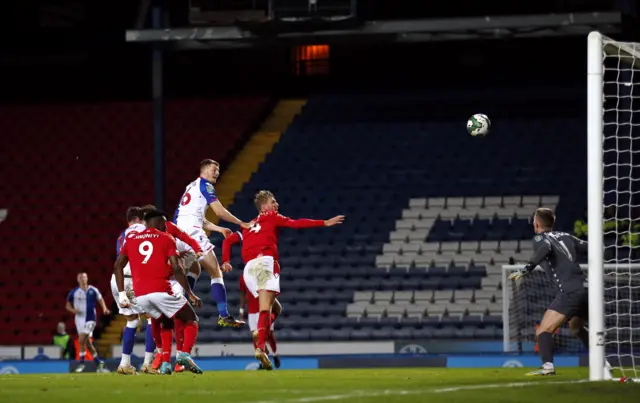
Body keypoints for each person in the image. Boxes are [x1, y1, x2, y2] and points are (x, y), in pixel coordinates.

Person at [224, 190, 344, 369]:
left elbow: (227, 242)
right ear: (265, 207)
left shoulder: (247, 225)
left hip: (248, 269)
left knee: (276, 308)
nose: (276, 205)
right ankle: (261, 348)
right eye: (273, 202)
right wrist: (324, 222)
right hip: (265, 263)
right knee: (266, 309)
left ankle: (260, 332)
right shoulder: (271, 216)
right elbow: (296, 224)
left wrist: (226, 260)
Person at [509, 208, 612, 377]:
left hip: (570, 291)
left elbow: (546, 247)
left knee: (544, 330)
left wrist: (527, 269)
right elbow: (592, 247)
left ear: (536, 223)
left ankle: (547, 366)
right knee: (576, 327)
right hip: (587, 288)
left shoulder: (539, 238)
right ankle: (603, 362)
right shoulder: (566, 236)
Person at [114, 209, 203, 375]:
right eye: (163, 222)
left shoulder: (131, 240)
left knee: (165, 323)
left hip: (140, 296)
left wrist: (122, 293)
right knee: (191, 319)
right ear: (157, 222)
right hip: (161, 291)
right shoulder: (166, 238)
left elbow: (117, 266)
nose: (166, 226)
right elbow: (177, 268)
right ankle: (184, 355)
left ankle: (165, 363)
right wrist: (190, 293)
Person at [173, 159, 249, 327]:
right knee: (215, 271)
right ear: (205, 170)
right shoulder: (206, 186)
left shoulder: (191, 187)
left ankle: (179, 306)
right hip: (192, 234)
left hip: (179, 234)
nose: (217, 173)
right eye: (215, 169)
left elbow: (200, 218)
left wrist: (219, 229)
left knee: (193, 268)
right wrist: (241, 223)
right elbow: (220, 211)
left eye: (219, 170)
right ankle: (223, 315)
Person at [223, 231, 282, 368]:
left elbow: (242, 295)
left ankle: (263, 359)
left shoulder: (245, 275)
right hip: (263, 307)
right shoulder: (265, 261)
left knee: (257, 334)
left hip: (252, 312)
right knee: (269, 329)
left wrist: (241, 311)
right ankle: (273, 354)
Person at [66, 272, 110, 372]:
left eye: (84, 277)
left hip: (91, 319)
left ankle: (81, 363)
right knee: (88, 344)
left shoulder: (93, 290)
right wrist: (73, 310)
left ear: (87, 278)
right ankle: (100, 363)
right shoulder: (74, 292)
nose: (82, 279)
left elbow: (100, 299)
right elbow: (67, 305)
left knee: (81, 340)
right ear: (78, 280)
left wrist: (104, 308)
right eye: (80, 277)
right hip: (79, 319)